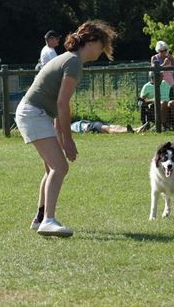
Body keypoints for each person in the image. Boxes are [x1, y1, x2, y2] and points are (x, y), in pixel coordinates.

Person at [15, 20, 116, 237]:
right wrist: (68, 141)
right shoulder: (73, 63)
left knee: (52, 168)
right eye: (102, 45)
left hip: (34, 113)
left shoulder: (68, 59)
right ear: (92, 41)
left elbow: (56, 107)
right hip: (33, 114)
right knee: (60, 167)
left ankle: (40, 218)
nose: (102, 50)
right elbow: (62, 104)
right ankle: (48, 222)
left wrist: (61, 137)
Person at [71, 120, 137, 134]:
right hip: (90, 127)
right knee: (107, 129)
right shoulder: (68, 129)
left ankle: (136, 129)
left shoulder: (70, 124)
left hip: (92, 123)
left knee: (116, 126)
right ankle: (126, 131)